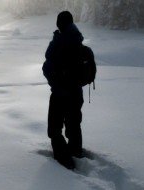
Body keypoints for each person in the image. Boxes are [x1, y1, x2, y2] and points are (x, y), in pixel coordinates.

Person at [42, 11, 91, 169]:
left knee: (55, 128)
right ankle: (76, 152)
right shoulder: (78, 39)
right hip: (76, 93)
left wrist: (55, 83)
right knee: (74, 125)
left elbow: (47, 66)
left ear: (59, 23)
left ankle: (65, 162)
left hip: (59, 94)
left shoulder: (59, 41)